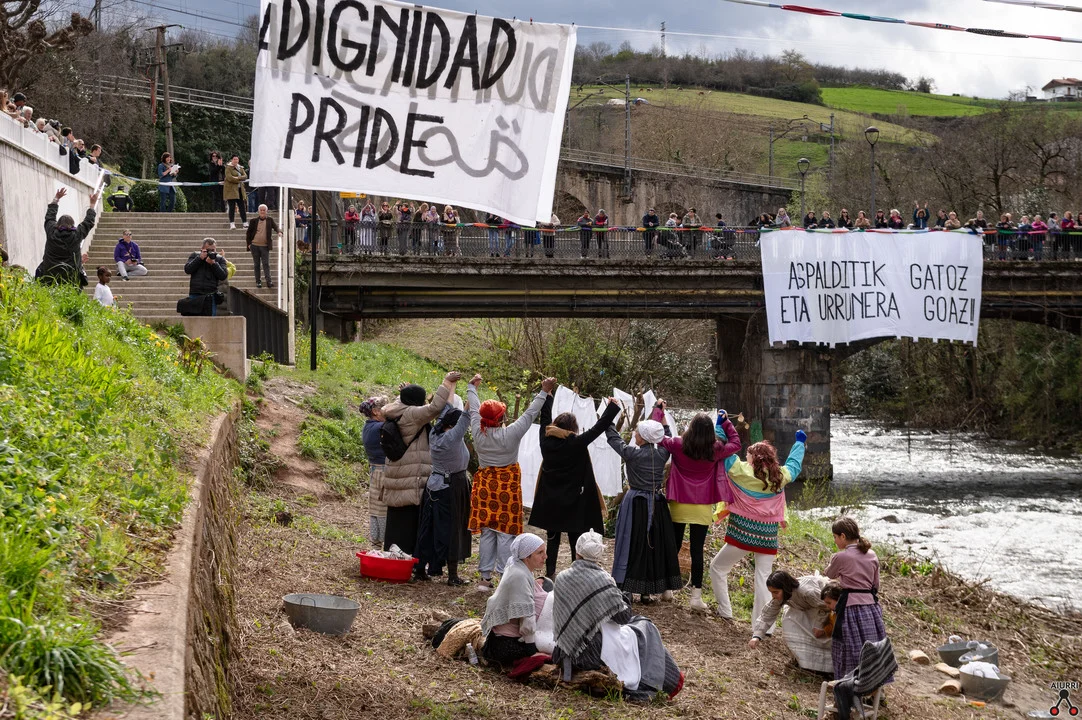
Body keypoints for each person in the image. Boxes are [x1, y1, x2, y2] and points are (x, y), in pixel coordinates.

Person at [552, 531, 685, 700]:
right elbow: (623, 617)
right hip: (591, 654)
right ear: (599, 555)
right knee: (645, 627)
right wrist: (621, 596)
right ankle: (670, 681)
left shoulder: (562, 577)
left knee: (633, 630)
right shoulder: (602, 580)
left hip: (562, 652)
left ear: (577, 551)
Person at [467, 374, 555, 591]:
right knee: (505, 532)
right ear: (500, 419)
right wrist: (544, 391)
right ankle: (503, 577)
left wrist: (472, 388)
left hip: (485, 488)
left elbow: (474, 409)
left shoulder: (478, 432)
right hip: (506, 489)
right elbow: (530, 413)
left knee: (487, 532)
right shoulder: (511, 433)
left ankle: (484, 578)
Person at [709, 431, 805, 627]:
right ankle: (763, 626)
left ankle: (725, 611)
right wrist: (799, 443)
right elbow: (794, 466)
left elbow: (725, 453)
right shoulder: (780, 476)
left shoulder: (740, 471)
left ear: (754, 458)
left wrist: (721, 428)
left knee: (717, 567)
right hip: (767, 536)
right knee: (763, 579)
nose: (746, 457)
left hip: (742, 534)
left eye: (748, 455)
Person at [530, 391, 621, 579]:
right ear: (573, 428)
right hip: (574, 500)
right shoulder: (577, 442)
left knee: (552, 538)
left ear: (555, 425)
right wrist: (612, 407)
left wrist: (548, 395)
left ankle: (550, 573)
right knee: (575, 539)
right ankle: (575, 575)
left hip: (550, 499)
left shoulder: (545, 442)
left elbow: (544, 418)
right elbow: (598, 427)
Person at [661, 411, 740, 612]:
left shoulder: (678, 444)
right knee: (697, 551)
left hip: (679, 501)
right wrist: (726, 423)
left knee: (674, 546)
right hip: (703, 503)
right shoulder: (715, 449)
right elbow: (736, 443)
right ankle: (696, 597)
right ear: (710, 432)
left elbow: (658, 437)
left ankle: (667, 589)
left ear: (691, 427)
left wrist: (659, 413)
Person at [605, 409, 681, 602]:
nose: (635, 434)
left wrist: (608, 417)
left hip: (635, 503)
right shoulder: (663, 453)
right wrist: (661, 416)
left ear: (644, 437)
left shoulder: (632, 454)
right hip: (656, 505)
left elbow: (614, 439)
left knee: (631, 543)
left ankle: (627, 588)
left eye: (637, 433)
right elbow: (667, 436)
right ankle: (646, 591)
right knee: (650, 545)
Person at [380, 372, 460, 555]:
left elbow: (409, 402)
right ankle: (407, 558)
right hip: (410, 475)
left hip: (397, 473)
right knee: (410, 522)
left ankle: (392, 555)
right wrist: (446, 383)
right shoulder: (412, 415)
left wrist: (405, 391)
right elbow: (435, 407)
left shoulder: (395, 409)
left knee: (396, 518)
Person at [824, 517, 889, 681]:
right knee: (873, 647)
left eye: (835, 537)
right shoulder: (872, 554)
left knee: (848, 649)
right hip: (871, 608)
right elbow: (876, 585)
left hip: (850, 607)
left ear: (843, 536)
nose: (835, 541)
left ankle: (848, 687)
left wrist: (832, 561)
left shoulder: (841, 556)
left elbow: (829, 574)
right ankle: (874, 686)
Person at [415, 406, 471, 583]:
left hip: (434, 485)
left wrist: (450, 390)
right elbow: (465, 418)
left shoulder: (434, 433)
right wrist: (471, 396)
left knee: (428, 527)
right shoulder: (452, 437)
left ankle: (420, 568)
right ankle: (452, 575)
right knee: (453, 529)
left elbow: (445, 410)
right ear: (454, 426)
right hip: (451, 487)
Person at [480, 533, 549, 669]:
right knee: (553, 653)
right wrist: (532, 652)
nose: (545, 556)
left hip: (501, 640)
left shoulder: (517, 565)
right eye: (540, 553)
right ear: (526, 556)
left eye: (544, 552)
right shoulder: (519, 575)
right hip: (505, 645)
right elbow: (527, 619)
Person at [747, 570, 833, 674]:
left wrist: (820, 626)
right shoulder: (782, 596)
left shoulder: (807, 592)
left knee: (824, 638)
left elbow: (826, 607)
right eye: (772, 592)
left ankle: (827, 667)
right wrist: (757, 636)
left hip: (823, 613)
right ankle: (806, 663)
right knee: (789, 621)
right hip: (808, 611)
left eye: (776, 592)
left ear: (785, 587)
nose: (773, 596)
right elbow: (768, 613)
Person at [36, 187, 97, 286]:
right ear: (72, 225)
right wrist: (92, 204)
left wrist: (56, 198)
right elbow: (88, 221)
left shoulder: (51, 232)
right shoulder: (76, 235)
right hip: (70, 279)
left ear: (58, 224)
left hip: (49, 278)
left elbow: (49, 217)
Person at [359, 397, 389, 547]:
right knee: (383, 510)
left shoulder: (368, 427)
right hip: (384, 472)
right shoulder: (381, 428)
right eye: (386, 408)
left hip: (375, 471)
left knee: (376, 509)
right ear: (376, 412)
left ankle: (375, 544)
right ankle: (385, 541)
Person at [183, 238, 229, 316]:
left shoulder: (219, 259)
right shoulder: (195, 255)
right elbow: (187, 269)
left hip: (211, 295)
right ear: (202, 249)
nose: (211, 252)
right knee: (195, 319)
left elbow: (223, 275)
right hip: (195, 293)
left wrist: (213, 264)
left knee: (210, 320)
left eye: (213, 250)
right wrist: (199, 258)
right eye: (208, 250)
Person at [245, 204, 281, 289]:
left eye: (264, 210)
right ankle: (258, 281)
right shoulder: (253, 221)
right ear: (258, 211)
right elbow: (248, 233)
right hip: (255, 246)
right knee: (256, 264)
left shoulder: (270, 220)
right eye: (261, 210)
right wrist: (249, 244)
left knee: (266, 264)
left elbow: (276, 227)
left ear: (266, 211)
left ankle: (269, 281)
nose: (262, 212)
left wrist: (279, 232)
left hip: (265, 246)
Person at [224, 156, 248, 230]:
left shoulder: (240, 168)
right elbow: (229, 178)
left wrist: (237, 178)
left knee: (242, 207)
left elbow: (245, 176)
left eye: (237, 159)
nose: (236, 160)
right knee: (232, 207)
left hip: (240, 190)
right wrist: (239, 179)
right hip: (231, 190)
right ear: (232, 160)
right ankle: (232, 223)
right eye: (234, 159)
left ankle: (245, 223)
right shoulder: (228, 168)